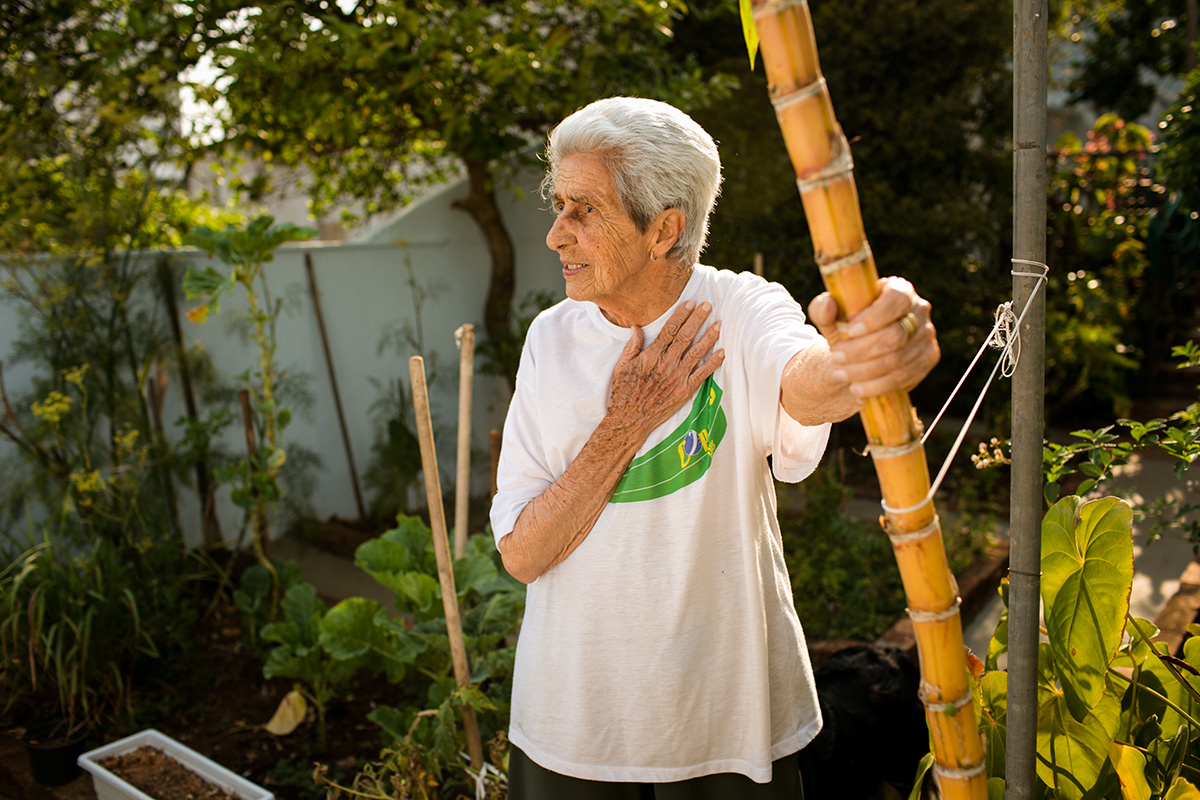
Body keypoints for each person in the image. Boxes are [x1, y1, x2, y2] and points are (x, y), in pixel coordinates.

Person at [489, 97, 939, 799]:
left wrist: (863, 358)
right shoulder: (551, 338)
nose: (555, 235)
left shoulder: (741, 309)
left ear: (663, 229)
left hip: (721, 722)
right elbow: (523, 553)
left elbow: (805, 380)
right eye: (559, 203)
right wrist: (627, 421)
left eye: (584, 210)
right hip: (571, 724)